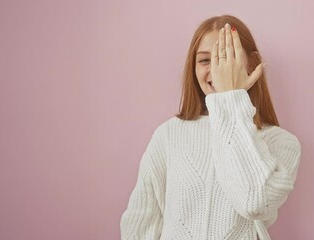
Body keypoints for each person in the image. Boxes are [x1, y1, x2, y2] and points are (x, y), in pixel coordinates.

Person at [120, 15, 301, 240]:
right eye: (205, 60)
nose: (217, 70)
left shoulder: (281, 142)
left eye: (226, 58)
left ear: (251, 64)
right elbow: (140, 224)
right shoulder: (168, 135)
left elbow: (255, 202)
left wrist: (230, 99)